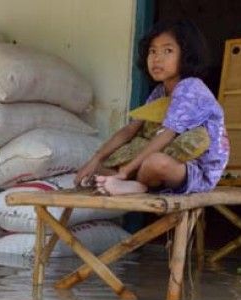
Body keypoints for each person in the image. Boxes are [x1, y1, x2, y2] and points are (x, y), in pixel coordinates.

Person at [75, 19, 229, 195]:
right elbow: (130, 129)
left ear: (187, 55)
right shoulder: (159, 91)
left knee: (155, 162)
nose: (157, 58)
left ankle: (137, 185)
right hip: (163, 163)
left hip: (197, 171)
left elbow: (168, 134)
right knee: (99, 169)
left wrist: (126, 171)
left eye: (168, 50)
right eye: (152, 51)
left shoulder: (191, 87)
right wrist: (96, 159)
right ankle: (134, 183)